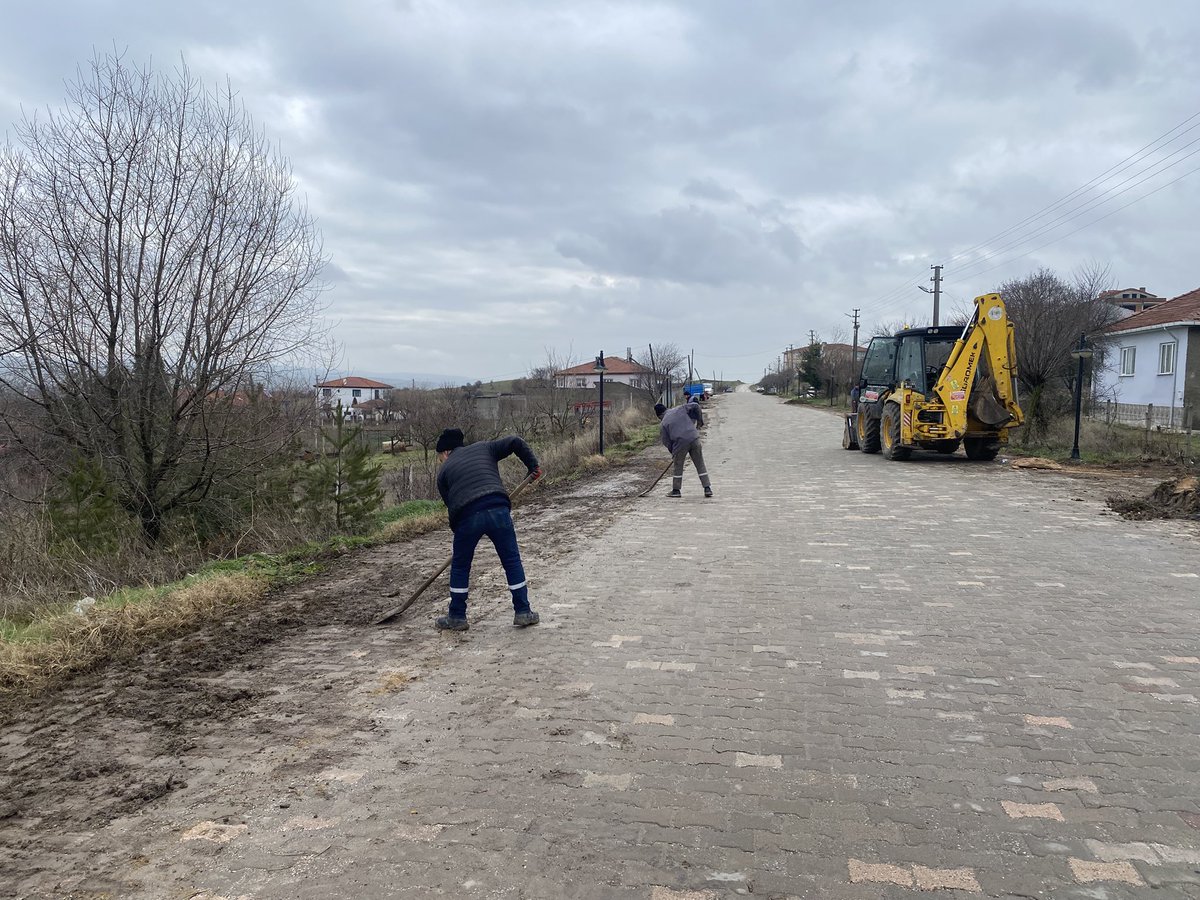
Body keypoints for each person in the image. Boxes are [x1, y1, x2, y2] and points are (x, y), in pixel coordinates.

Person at [434, 428, 542, 631]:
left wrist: (461, 537)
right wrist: (532, 466)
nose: (441, 460)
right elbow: (514, 441)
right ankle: (523, 612)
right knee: (511, 560)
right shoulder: (485, 447)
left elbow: (452, 507)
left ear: (446, 452)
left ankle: (457, 616)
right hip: (497, 507)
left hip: (466, 516)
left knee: (460, 566)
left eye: (440, 456)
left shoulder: (444, 472)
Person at [658, 398, 712, 499]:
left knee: (678, 466)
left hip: (680, 443)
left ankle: (676, 490)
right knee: (700, 464)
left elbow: (666, 442)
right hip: (694, 438)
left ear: (659, 416)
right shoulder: (679, 408)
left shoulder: (663, 423)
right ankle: (707, 488)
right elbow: (695, 405)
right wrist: (700, 421)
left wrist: (673, 452)